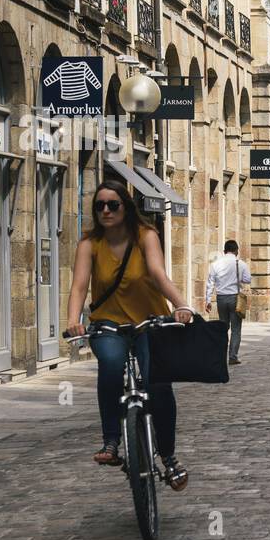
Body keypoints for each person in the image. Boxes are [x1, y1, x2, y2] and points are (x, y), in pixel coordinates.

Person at [64, 181, 194, 490]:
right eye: (100, 206)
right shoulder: (89, 245)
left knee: (157, 382)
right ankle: (111, 442)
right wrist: (73, 320)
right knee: (110, 364)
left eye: (113, 204)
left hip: (150, 321)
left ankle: (169, 456)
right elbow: (79, 286)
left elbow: (159, 274)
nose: (106, 210)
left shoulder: (145, 237)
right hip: (109, 325)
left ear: (126, 206)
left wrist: (181, 305)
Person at [205, 240, 251, 364]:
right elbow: (247, 279)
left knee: (223, 327)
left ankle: (220, 355)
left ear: (224, 251)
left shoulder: (215, 264)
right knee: (236, 328)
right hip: (235, 298)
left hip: (221, 298)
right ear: (236, 251)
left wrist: (208, 300)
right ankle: (233, 356)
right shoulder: (240, 264)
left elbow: (210, 283)